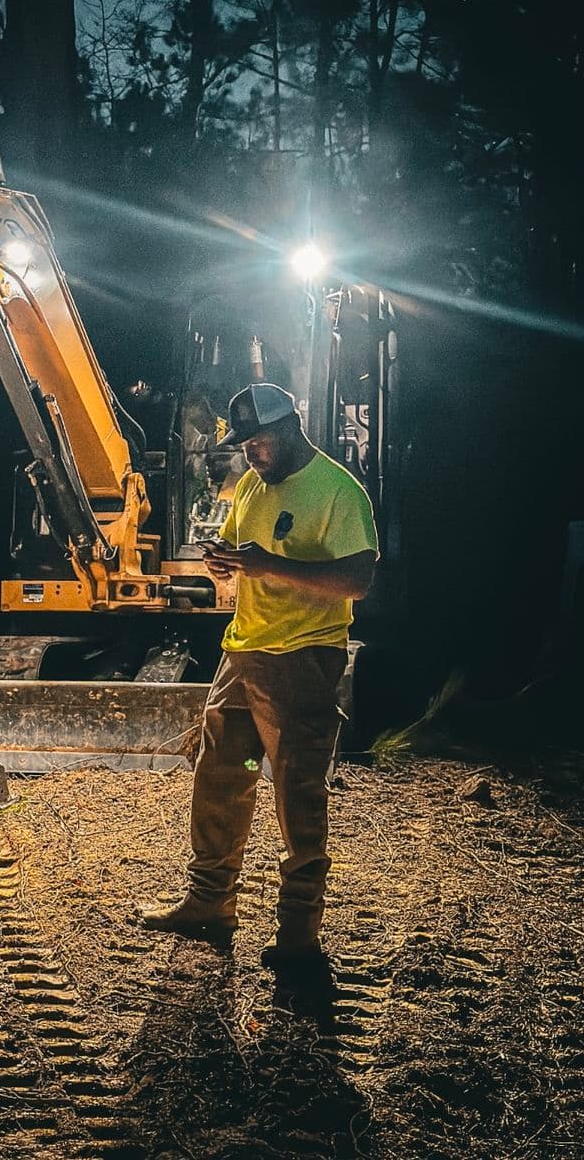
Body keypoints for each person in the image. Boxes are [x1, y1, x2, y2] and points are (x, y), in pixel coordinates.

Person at [142, 383, 378, 969]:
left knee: (297, 792)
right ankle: (210, 903)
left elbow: (357, 581)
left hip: (301, 659)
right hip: (243, 653)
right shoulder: (250, 484)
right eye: (243, 443)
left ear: (293, 428)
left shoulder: (338, 492)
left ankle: (299, 932)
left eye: (258, 441)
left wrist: (262, 563)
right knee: (220, 778)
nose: (249, 453)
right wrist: (224, 559)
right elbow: (244, 557)